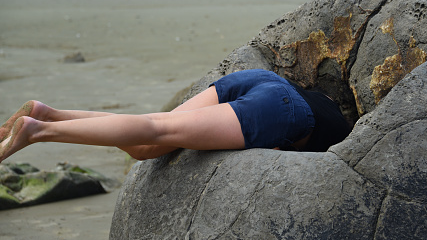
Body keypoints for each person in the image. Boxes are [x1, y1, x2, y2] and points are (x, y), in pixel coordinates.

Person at [0, 69, 351, 163]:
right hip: (281, 113)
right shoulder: (343, 139)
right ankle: (38, 131)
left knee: (144, 146)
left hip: (257, 80)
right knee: (156, 130)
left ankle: (51, 114)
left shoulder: (330, 105)